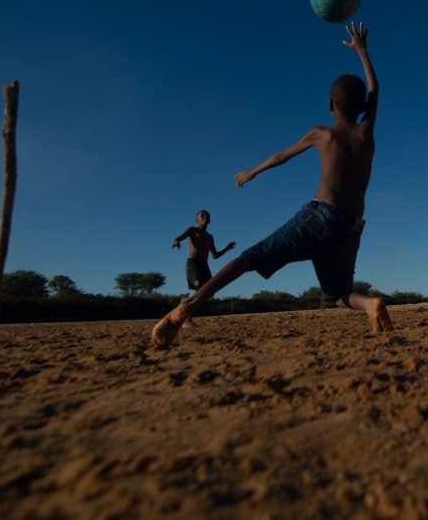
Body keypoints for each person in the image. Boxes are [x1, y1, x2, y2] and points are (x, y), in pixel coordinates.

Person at [151, 22, 393, 349]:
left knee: (248, 258)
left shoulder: (322, 133)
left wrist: (253, 171)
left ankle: (185, 310)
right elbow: (375, 90)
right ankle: (370, 304)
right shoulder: (367, 133)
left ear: (329, 105)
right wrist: (363, 53)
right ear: (363, 107)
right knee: (339, 293)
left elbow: (282, 156)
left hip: (320, 217)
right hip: (351, 226)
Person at [171, 210, 236, 291]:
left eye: (207, 216)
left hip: (204, 265)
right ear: (197, 220)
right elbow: (178, 238)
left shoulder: (210, 237)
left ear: (209, 220)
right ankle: (188, 303)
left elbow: (215, 256)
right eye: (202, 215)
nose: (205, 217)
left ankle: (192, 302)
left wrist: (228, 248)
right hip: (193, 263)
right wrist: (176, 242)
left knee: (210, 290)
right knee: (199, 287)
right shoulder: (193, 230)